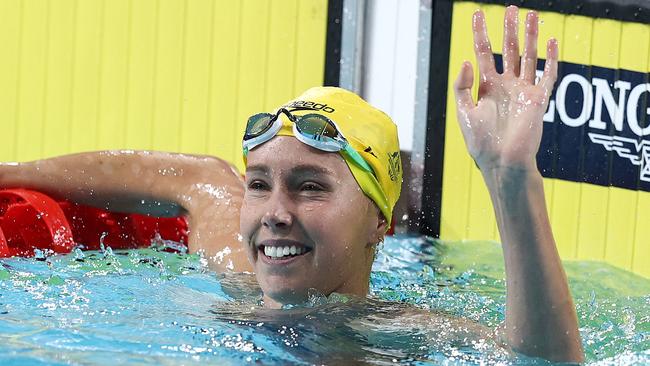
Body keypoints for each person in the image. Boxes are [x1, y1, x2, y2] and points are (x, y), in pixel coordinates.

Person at [0, 6, 583, 363]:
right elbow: (198, 177)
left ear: (381, 221)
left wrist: (511, 180)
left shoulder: (401, 334)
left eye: (310, 187)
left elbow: (543, 361)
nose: (274, 212)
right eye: (260, 184)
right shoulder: (233, 272)